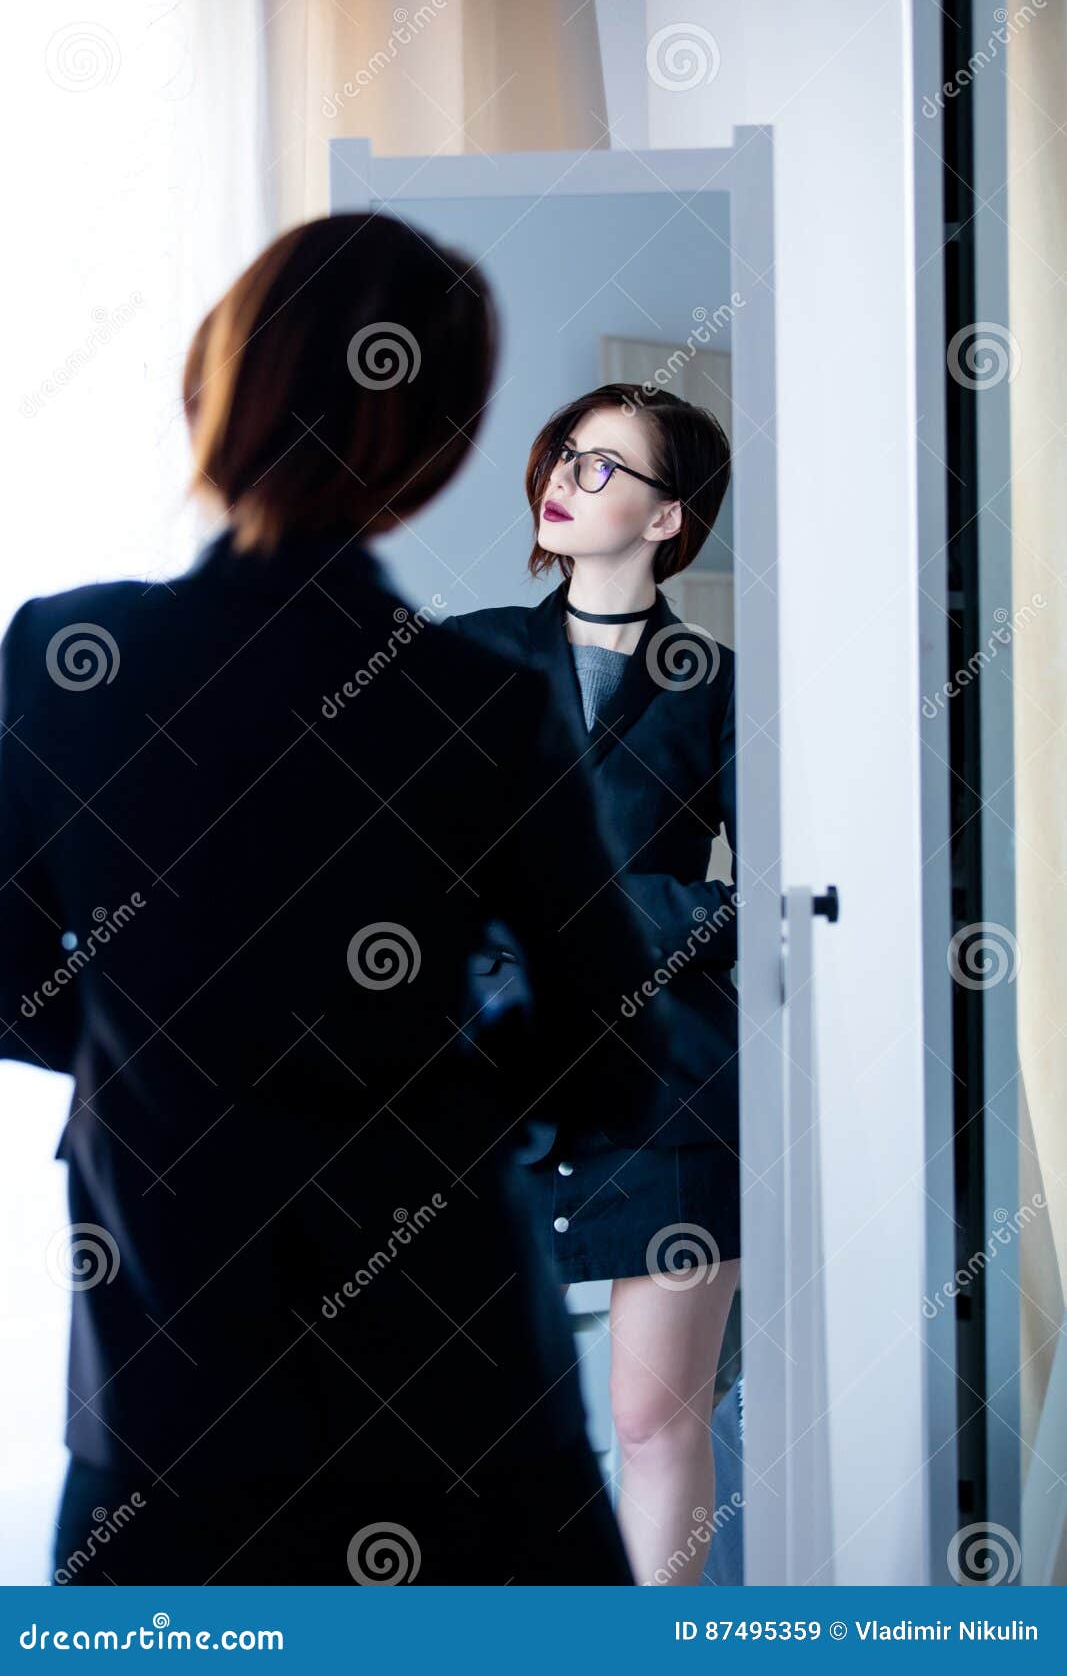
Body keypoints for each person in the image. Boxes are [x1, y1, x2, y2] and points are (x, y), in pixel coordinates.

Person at [0, 217, 674, 1585]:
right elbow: (613, 1054)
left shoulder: (69, 658)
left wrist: (169, 1058)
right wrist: (423, 1087)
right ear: (438, 446)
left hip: (171, 1384)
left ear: (214, 386)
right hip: (459, 1389)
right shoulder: (480, 702)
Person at [441, 383, 741, 1585]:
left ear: (668, 517)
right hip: (485, 1086)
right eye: (566, 454)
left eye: (605, 466)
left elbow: (775, 890)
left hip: (669, 1090)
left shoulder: (719, 682)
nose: (565, 477)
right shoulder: (465, 654)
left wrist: (613, 913)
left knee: (651, 1422)